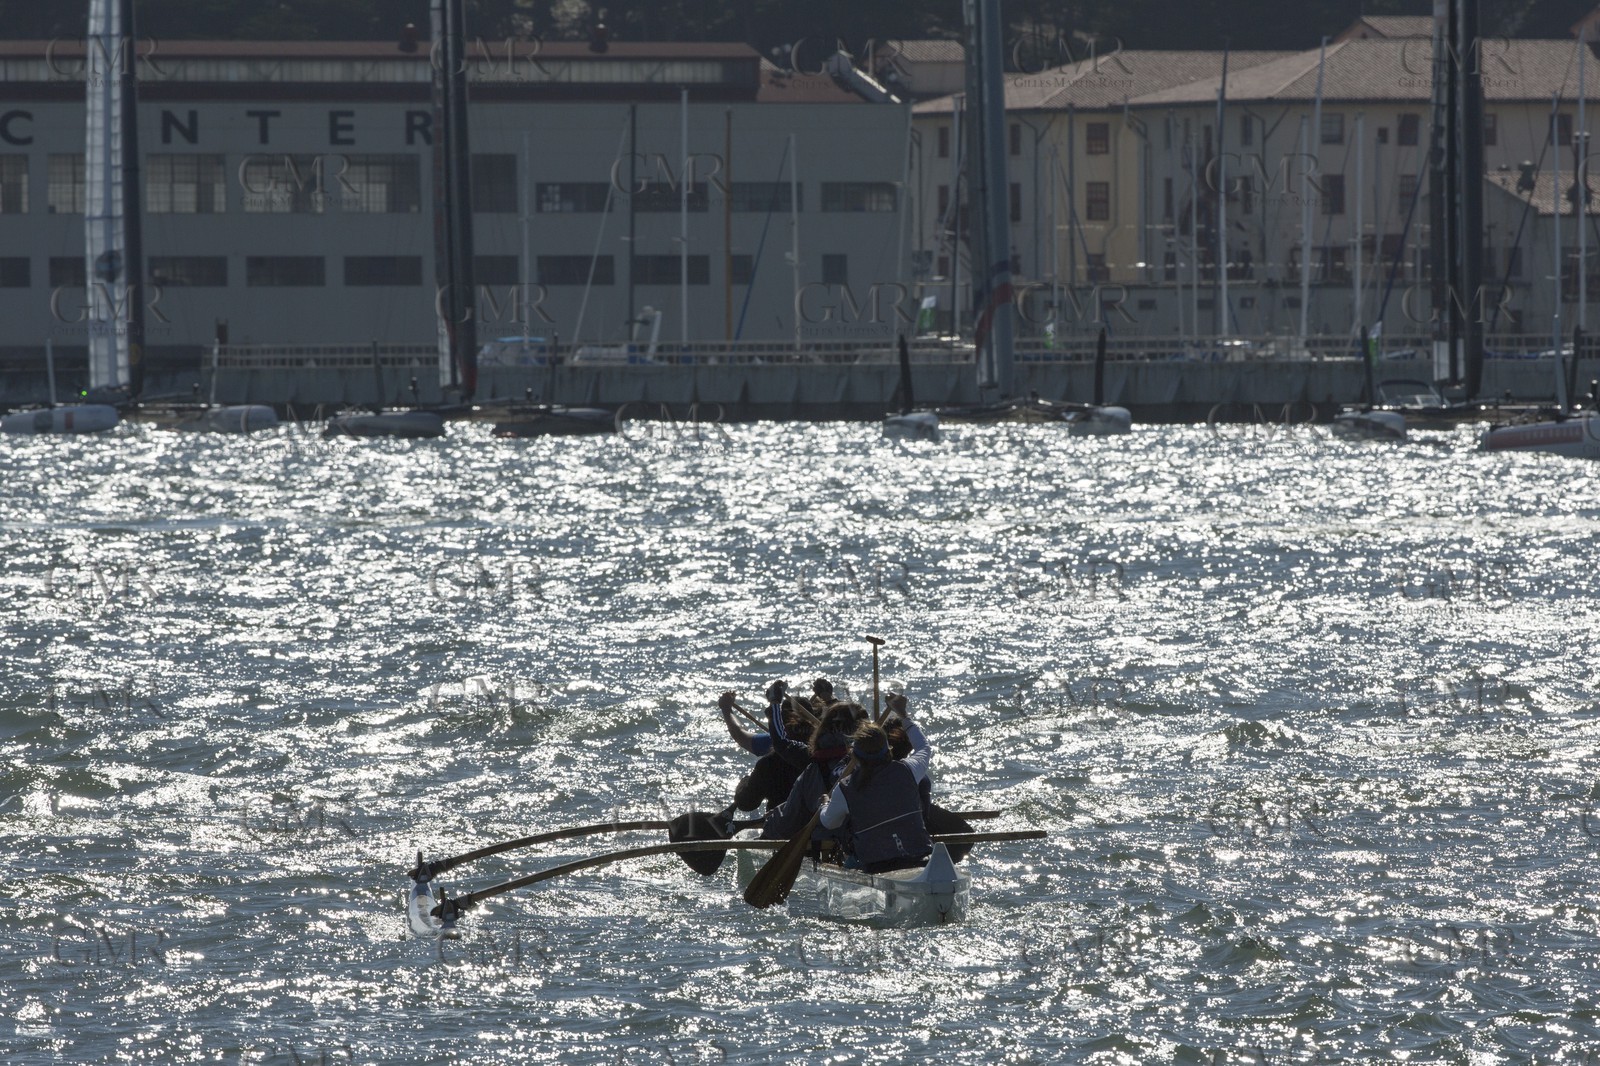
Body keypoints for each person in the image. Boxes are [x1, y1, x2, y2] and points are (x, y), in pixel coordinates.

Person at [818, 718, 933, 873]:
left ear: (855, 755)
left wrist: (824, 804)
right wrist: (903, 714)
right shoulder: (908, 770)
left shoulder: (845, 788)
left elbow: (829, 822)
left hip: (877, 866)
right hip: (919, 859)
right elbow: (924, 746)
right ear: (888, 750)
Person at [760, 702, 860, 842]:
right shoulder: (867, 762)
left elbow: (780, 742)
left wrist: (774, 705)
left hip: (821, 836)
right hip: (856, 838)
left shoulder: (811, 760)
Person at [719, 682, 809, 813]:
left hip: (785, 826)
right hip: (825, 823)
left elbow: (746, 803)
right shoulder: (826, 747)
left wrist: (726, 709)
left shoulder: (771, 755)